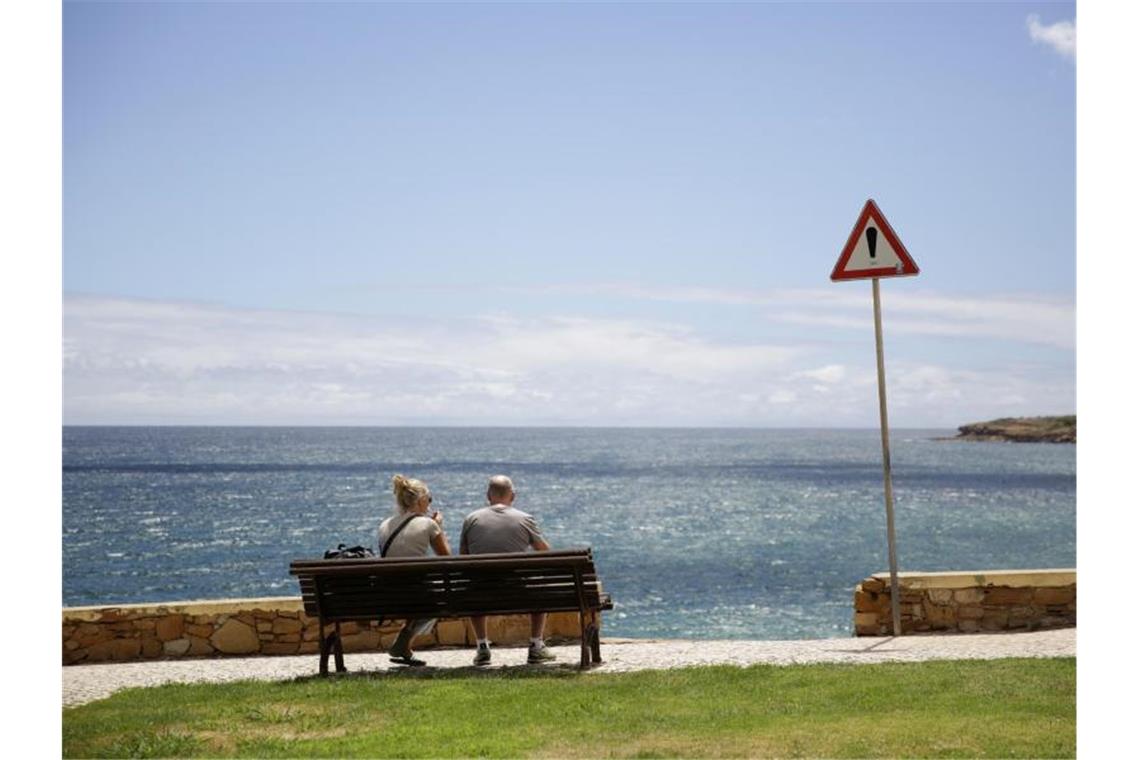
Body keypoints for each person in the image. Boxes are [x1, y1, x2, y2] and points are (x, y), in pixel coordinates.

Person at [460, 474, 556, 665]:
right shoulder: (525, 519)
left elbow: (464, 557)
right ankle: (536, 646)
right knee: (540, 588)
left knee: (475, 585)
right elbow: (546, 552)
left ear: (488, 495)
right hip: (518, 592)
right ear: (513, 496)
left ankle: (482, 647)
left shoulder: (471, 519)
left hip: (481, 592)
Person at [378, 474, 451, 666]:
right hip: (416, 594)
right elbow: (446, 557)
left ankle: (403, 645)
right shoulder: (428, 524)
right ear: (420, 501)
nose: (430, 503)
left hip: (388, 593)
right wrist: (439, 527)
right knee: (439, 599)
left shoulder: (384, 524)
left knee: (417, 590)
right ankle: (404, 642)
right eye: (429, 499)